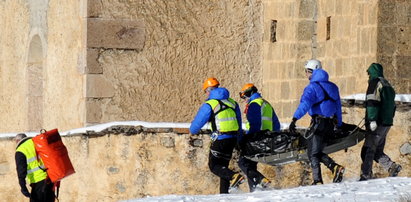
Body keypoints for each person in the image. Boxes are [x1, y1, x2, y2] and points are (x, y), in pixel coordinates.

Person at [289, 59, 345, 185]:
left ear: (311, 72)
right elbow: (338, 108)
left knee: (312, 153)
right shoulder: (333, 87)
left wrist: (294, 119)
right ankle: (335, 168)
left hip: (318, 124)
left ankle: (318, 180)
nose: (306, 74)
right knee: (317, 151)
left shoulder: (312, 87)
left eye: (306, 72)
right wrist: (339, 125)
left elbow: (305, 104)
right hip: (331, 124)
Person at [190, 77, 245, 193]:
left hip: (220, 139)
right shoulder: (232, 103)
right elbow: (239, 124)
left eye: (205, 91)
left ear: (209, 90)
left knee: (214, 166)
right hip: (233, 139)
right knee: (223, 166)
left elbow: (195, 126)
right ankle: (224, 194)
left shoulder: (210, 104)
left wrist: (193, 131)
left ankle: (234, 176)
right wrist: (239, 140)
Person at [360, 63, 402, 181]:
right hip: (386, 122)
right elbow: (392, 105)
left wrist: (372, 119)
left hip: (377, 122)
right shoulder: (387, 84)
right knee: (377, 150)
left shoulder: (375, 83)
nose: (368, 76)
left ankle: (366, 175)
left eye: (368, 73)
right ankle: (392, 167)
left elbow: (372, 102)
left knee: (368, 149)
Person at [237, 83, 280, 192]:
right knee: (251, 164)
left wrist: (248, 139)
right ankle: (255, 190)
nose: (245, 100)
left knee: (243, 162)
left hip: (257, 138)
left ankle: (261, 180)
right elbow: (276, 124)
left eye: (245, 97)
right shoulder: (266, 103)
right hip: (267, 138)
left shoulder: (254, 104)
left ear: (249, 94)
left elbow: (255, 124)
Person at [15, 133, 55, 202]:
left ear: (17, 141)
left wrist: (23, 188)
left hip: (38, 183)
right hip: (49, 179)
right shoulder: (36, 142)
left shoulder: (20, 150)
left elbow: (21, 171)